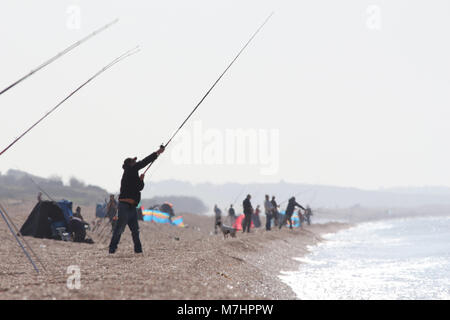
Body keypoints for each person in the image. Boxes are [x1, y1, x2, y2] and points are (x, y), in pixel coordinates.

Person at [109, 145, 165, 254]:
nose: (136, 162)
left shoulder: (133, 173)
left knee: (135, 231)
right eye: (134, 162)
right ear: (129, 164)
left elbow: (139, 188)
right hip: (124, 206)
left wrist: (141, 180)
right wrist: (157, 153)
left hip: (132, 207)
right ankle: (112, 249)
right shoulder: (130, 170)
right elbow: (144, 162)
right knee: (119, 229)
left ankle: (138, 251)